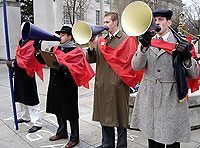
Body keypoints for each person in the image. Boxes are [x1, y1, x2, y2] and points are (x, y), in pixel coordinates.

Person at [130, 9, 199, 148]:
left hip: (171, 96)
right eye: (154, 20)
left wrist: (186, 58)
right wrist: (143, 48)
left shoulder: (181, 42)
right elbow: (136, 66)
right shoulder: (147, 39)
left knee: (172, 138)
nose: (157, 23)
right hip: (150, 95)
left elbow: (194, 74)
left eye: (160, 19)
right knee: (153, 138)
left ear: (169, 22)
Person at [36, 26, 95, 148]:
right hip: (55, 84)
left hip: (68, 86)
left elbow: (79, 69)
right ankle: (62, 132)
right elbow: (43, 61)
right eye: (60, 34)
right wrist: (38, 51)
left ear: (70, 37)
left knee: (71, 113)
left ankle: (75, 138)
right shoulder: (55, 48)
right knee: (57, 109)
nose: (60, 36)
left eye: (63, 34)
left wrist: (64, 68)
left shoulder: (77, 51)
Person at [87, 12, 138, 148]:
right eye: (104, 22)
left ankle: (121, 145)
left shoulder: (127, 39)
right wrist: (92, 46)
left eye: (107, 22)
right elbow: (91, 59)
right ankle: (107, 144)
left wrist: (120, 81)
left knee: (121, 118)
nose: (105, 25)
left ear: (116, 22)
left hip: (118, 87)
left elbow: (132, 65)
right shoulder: (101, 40)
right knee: (104, 117)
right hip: (102, 86)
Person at [6, 39, 43, 133]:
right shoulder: (21, 41)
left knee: (31, 99)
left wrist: (13, 64)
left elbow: (28, 60)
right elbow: (19, 56)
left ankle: (37, 122)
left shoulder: (32, 43)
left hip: (27, 74)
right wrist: (14, 63)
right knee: (21, 97)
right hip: (19, 74)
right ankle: (25, 116)